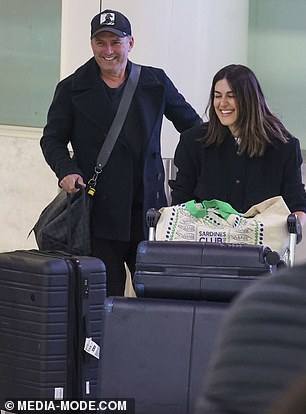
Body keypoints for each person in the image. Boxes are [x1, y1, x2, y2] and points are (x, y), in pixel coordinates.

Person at [40, 9, 202, 296]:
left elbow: (193, 129)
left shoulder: (155, 83)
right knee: (105, 300)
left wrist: (189, 181)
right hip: (98, 216)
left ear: (131, 43)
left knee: (156, 298)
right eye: (100, 42)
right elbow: (52, 140)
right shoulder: (72, 88)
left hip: (148, 212)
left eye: (116, 42)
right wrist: (66, 171)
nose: (108, 50)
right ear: (91, 45)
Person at [170, 64, 306, 226]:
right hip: (206, 244)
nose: (222, 103)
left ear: (249, 99)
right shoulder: (193, 142)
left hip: (264, 246)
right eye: (217, 96)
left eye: (231, 96)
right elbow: (180, 203)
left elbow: (296, 205)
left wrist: (291, 229)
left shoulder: (285, 146)